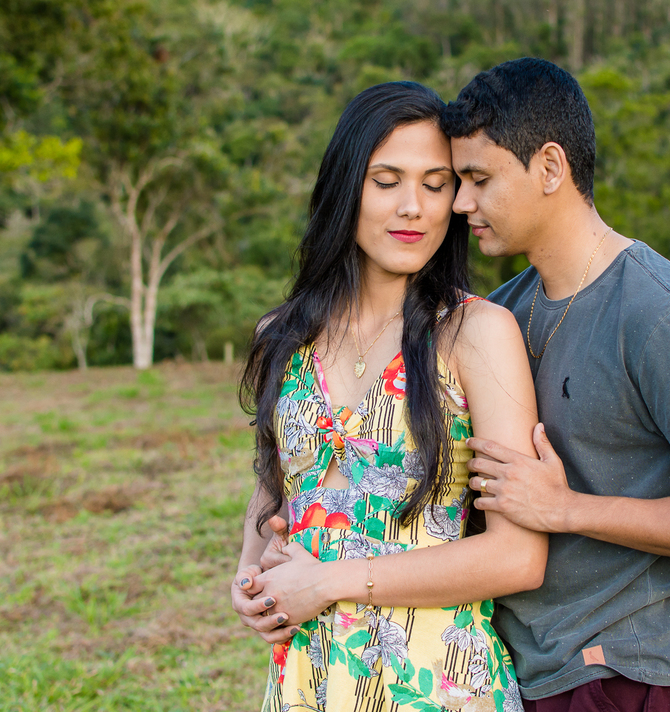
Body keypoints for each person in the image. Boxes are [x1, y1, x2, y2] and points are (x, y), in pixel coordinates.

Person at [439, 57, 670, 712]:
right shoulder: (504, 313)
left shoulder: (662, 314)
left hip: (622, 674)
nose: (462, 204)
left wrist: (569, 508)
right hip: (521, 670)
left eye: (479, 179)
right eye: (459, 181)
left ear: (551, 168)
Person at [232, 81, 548, 711]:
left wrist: (326, 582)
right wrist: (248, 581)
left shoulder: (476, 334)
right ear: (345, 187)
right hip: (308, 682)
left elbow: (519, 557)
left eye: (435, 184)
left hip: (438, 683)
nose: (414, 207)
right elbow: (275, 491)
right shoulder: (283, 335)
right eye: (386, 181)